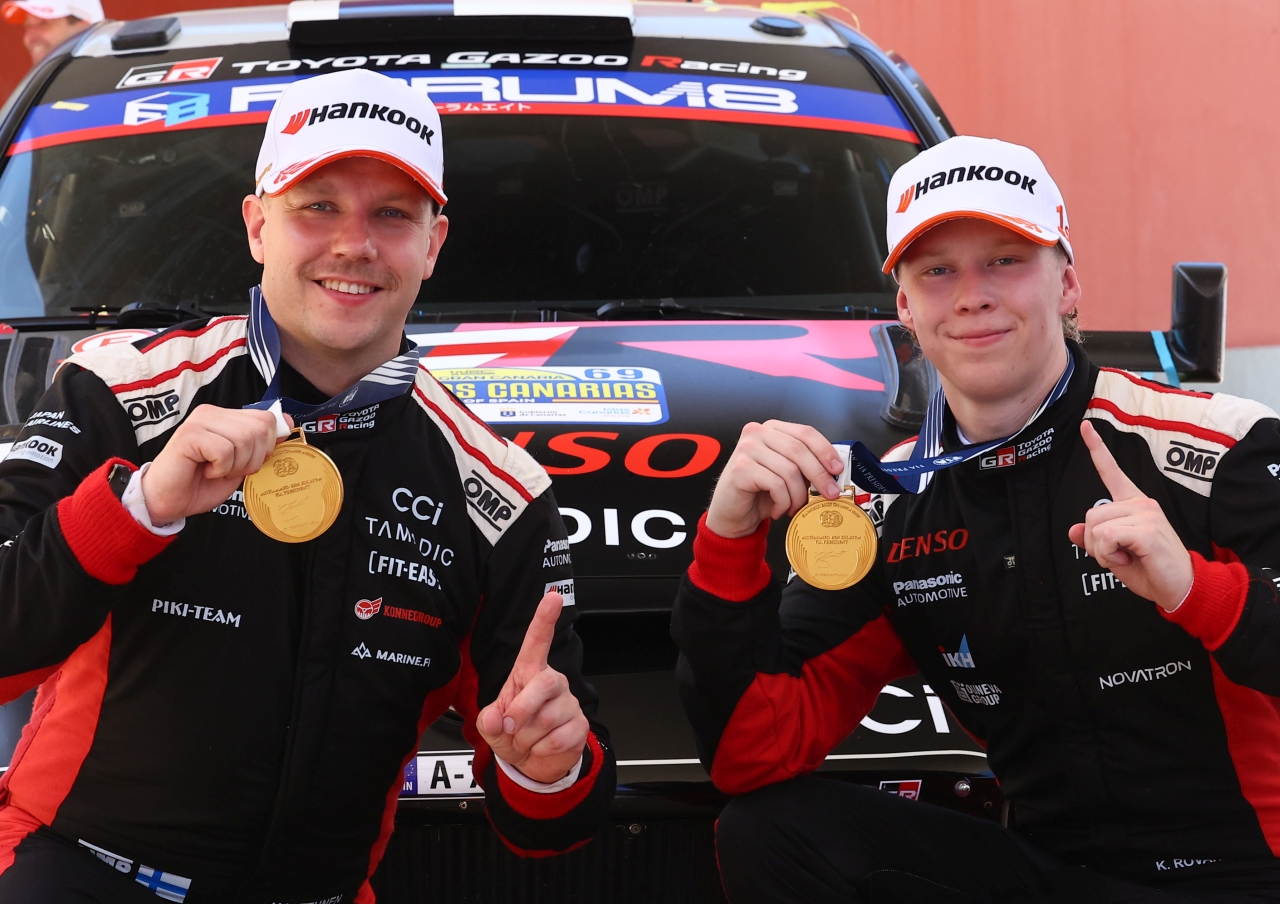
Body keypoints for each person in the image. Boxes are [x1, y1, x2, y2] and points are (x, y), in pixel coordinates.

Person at [0, 68, 614, 903]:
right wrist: (140, 507)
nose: (354, 245)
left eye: (392, 214)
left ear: (433, 244)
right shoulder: (121, 391)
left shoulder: (500, 491)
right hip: (81, 873)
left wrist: (548, 768)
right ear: (258, 225)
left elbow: (554, 826)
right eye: (317, 205)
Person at [672, 135, 1280, 903]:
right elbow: (752, 752)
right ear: (905, 308)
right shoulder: (887, 507)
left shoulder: (1222, 446)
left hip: (1247, 878)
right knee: (771, 830)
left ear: (1067, 283)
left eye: (1004, 260)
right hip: (1053, 874)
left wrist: (1194, 589)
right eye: (937, 271)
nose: (971, 296)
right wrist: (729, 542)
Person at [1, 0, 101, 66]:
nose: (30, 38)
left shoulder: (106, 82)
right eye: (28, 26)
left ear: (84, 29)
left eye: (43, 23)